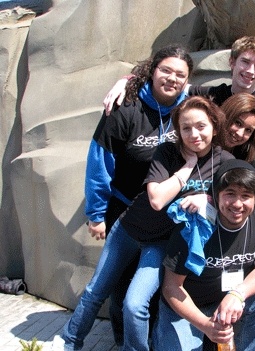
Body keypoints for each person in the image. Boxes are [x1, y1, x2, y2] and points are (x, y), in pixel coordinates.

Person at [102, 36, 255, 350]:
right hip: (193, 226)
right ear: (232, 63)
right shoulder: (212, 96)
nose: (251, 70)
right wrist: (130, 80)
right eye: (245, 61)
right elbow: (172, 85)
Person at [54, 96, 233, 351]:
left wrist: (208, 198)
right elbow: (157, 199)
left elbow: (252, 194)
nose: (194, 134)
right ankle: (70, 341)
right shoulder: (167, 152)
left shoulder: (224, 161)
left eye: (201, 126)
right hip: (129, 230)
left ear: (214, 126)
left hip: (161, 243)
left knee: (135, 305)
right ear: (178, 131)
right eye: (186, 128)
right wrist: (187, 169)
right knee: (96, 290)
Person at [84, 44, 193, 347]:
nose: (172, 78)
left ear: (187, 80)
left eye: (180, 74)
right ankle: (122, 341)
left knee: (153, 284)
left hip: (165, 212)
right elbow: (99, 163)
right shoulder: (124, 106)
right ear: (153, 69)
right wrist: (95, 214)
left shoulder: (190, 106)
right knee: (120, 283)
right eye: (166, 70)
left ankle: (152, 338)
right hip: (124, 207)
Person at [154, 159, 255, 351]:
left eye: (246, 196)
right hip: (190, 305)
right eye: (230, 194)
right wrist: (206, 326)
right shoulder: (194, 224)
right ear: (215, 196)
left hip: (232, 301)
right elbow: (172, 287)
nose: (237, 204)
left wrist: (238, 294)